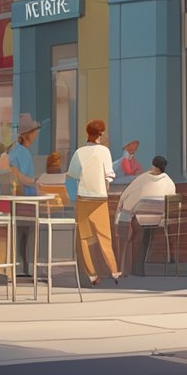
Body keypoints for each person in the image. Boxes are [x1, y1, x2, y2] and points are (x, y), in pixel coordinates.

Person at [66, 120, 121, 286]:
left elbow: (71, 178)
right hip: (100, 199)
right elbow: (109, 175)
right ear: (101, 134)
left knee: (85, 238)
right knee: (104, 236)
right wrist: (105, 187)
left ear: (87, 133)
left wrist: (72, 199)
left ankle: (92, 275)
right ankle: (114, 270)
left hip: (83, 198)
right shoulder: (104, 151)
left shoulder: (79, 153)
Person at [116, 155, 176, 275]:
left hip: (140, 218)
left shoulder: (144, 178)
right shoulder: (169, 182)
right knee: (145, 231)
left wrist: (124, 205)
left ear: (153, 165)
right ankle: (137, 266)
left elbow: (127, 194)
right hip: (159, 219)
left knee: (126, 221)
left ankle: (127, 266)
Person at [7, 117, 40, 277]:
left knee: (20, 235)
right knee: (25, 237)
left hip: (18, 198)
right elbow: (19, 175)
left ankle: (20, 267)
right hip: (25, 199)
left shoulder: (14, 150)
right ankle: (24, 268)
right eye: (34, 132)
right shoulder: (23, 153)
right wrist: (37, 182)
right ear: (29, 134)